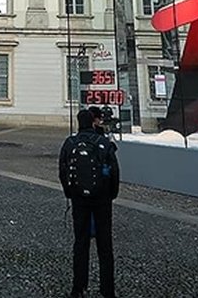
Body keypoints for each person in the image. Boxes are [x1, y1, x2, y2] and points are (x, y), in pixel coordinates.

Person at [59, 108, 120, 298]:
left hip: (79, 199)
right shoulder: (103, 143)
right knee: (105, 246)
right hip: (102, 199)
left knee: (80, 243)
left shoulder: (70, 143)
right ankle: (107, 291)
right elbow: (115, 172)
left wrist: (70, 193)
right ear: (94, 122)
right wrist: (111, 195)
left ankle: (78, 288)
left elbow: (63, 171)